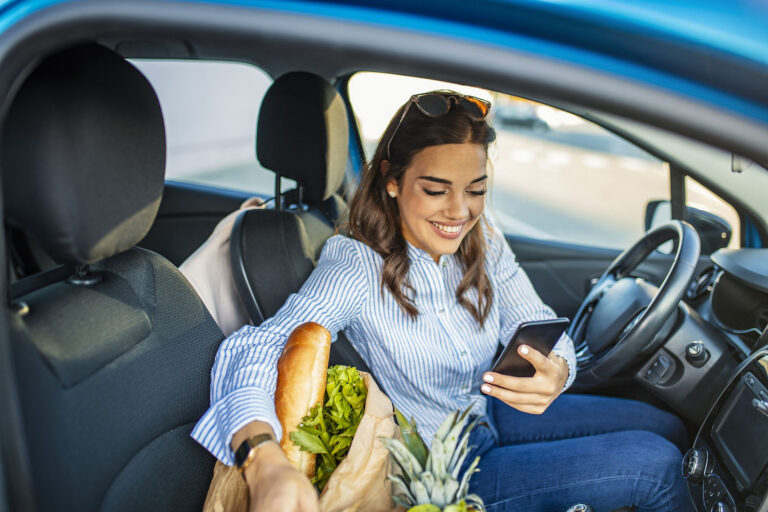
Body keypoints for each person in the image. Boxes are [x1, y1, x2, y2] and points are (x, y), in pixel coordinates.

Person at [191, 90, 693, 512]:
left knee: (669, 425)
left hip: (488, 411)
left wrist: (559, 368)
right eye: (436, 190)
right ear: (392, 179)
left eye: (476, 189)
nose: (460, 211)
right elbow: (256, 347)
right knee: (656, 464)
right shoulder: (356, 264)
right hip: (445, 471)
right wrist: (264, 459)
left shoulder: (483, 238)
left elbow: (536, 317)